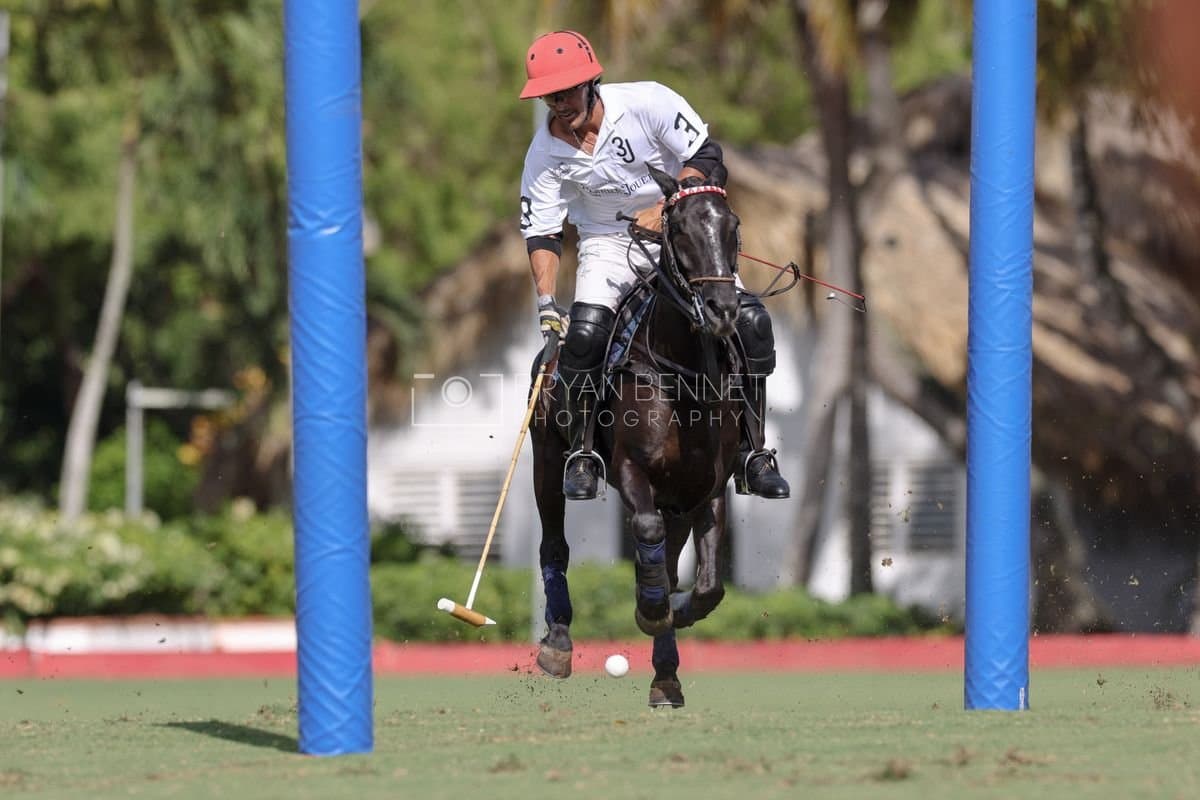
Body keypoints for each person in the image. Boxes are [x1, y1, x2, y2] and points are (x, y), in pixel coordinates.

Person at [518, 30, 789, 502]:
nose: (559, 104)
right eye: (550, 96)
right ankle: (584, 452)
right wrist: (546, 304)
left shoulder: (648, 102)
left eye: (567, 91)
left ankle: (753, 451)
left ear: (591, 82)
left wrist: (667, 208)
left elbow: (707, 157)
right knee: (583, 338)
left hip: (683, 234)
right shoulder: (543, 154)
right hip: (605, 244)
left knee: (751, 322)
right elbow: (542, 232)